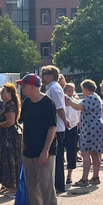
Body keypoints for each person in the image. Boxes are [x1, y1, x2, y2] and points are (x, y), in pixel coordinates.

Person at [16, 74, 60, 205]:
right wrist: (23, 144)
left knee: (46, 181)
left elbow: (52, 127)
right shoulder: (27, 103)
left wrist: (45, 150)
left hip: (45, 149)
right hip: (29, 149)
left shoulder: (48, 103)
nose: (22, 88)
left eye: (24, 85)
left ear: (32, 87)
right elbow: (25, 125)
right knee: (31, 182)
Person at [68, 79, 103, 186]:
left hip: (90, 129)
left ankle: (84, 178)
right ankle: (95, 177)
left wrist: (68, 99)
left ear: (86, 89)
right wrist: (71, 99)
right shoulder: (95, 97)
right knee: (94, 153)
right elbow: (78, 103)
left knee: (85, 153)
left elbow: (78, 106)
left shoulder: (91, 98)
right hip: (95, 128)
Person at [41, 65, 68, 193]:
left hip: (57, 128)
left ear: (51, 75)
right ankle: (55, 184)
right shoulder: (50, 88)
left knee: (57, 158)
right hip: (54, 127)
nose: (42, 77)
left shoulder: (55, 88)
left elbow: (59, 107)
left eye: (44, 74)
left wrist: (65, 120)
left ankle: (59, 185)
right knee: (54, 157)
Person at [0, 82, 21, 195]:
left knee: (10, 161)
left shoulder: (10, 105)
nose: (1, 93)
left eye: (3, 91)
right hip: (3, 138)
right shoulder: (5, 105)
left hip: (9, 138)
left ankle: (14, 185)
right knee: (4, 161)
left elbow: (10, 122)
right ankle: (8, 184)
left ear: (9, 93)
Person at [63, 83, 80, 186]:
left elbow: (79, 116)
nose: (70, 93)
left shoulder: (76, 102)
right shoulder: (61, 103)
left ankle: (69, 175)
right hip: (62, 128)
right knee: (60, 151)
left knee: (72, 151)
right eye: (68, 91)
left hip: (73, 128)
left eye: (72, 91)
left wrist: (78, 124)